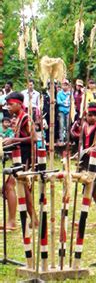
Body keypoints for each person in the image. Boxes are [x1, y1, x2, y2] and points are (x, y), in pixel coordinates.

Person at [2, 92, 37, 230]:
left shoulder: (26, 118)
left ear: (19, 104)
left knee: (9, 186)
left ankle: (11, 222)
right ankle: (34, 219)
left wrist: (14, 140)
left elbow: (34, 138)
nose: (8, 107)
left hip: (25, 157)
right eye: (7, 105)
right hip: (19, 156)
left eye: (11, 104)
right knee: (24, 190)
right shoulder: (18, 118)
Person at [71, 102, 96, 227]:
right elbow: (80, 141)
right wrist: (80, 153)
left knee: (92, 188)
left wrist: (95, 148)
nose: (92, 117)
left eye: (94, 115)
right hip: (86, 160)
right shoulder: (84, 126)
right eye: (89, 115)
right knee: (90, 189)